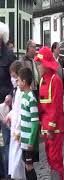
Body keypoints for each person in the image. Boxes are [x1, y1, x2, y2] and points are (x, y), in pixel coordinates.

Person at [35, 47, 64, 180]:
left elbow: (56, 106)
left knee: (55, 158)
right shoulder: (42, 81)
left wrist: (51, 127)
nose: (38, 67)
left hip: (55, 128)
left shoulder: (55, 80)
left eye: (39, 64)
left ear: (46, 65)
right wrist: (41, 122)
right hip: (46, 127)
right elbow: (42, 105)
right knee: (50, 158)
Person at [17, 67, 40, 180]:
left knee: (29, 166)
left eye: (19, 80)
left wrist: (31, 141)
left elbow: (35, 122)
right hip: (24, 140)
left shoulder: (31, 98)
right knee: (27, 166)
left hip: (29, 143)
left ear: (24, 82)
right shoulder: (24, 96)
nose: (17, 83)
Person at [0, 22, 14, 179]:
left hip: (5, 106)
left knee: (8, 141)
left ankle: (9, 174)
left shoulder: (9, 55)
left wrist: (11, 95)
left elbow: (17, 80)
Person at [7, 61, 26, 180]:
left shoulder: (21, 93)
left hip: (18, 131)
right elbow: (15, 109)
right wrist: (9, 115)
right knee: (14, 160)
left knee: (18, 162)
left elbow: (20, 112)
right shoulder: (16, 91)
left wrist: (17, 129)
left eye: (14, 77)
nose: (12, 79)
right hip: (15, 130)